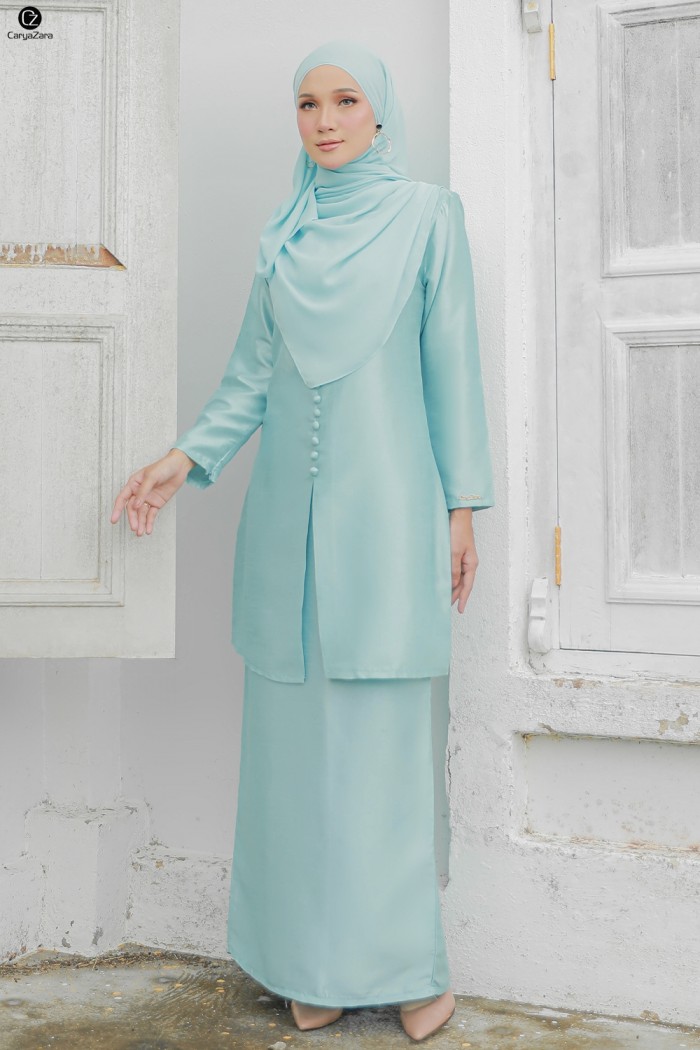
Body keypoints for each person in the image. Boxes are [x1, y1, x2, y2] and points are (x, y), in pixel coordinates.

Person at [111, 39, 494, 1044]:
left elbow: (452, 364)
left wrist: (462, 507)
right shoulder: (283, 236)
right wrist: (182, 460)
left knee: (382, 759)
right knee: (295, 764)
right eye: (308, 104)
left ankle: (409, 970)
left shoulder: (429, 218)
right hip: (289, 537)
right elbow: (250, 377)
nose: (324, 121)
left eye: (345, 100)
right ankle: (309, 962)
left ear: (380, 112)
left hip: (392, 528)